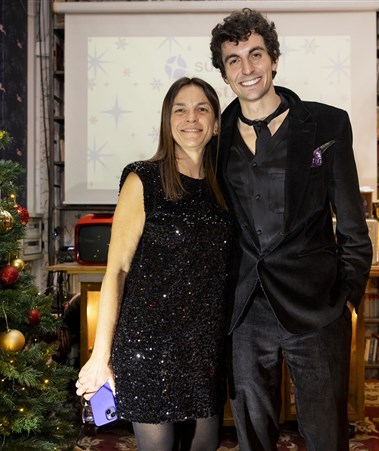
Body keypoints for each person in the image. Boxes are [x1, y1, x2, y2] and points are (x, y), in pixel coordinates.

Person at [210, 8, 373, 451]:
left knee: (325, 435)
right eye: (234, 60)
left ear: (274, 60)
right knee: (252, 437)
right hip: (245, 310)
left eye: (256, 54)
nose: (247, 68)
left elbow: (353, 226)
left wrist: (346, 299)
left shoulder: (327, 124)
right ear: (224, 74)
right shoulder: (214, 138)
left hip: (317, 306)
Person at [75, 77, 233, 451]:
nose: (191, 118)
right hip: (149, 345)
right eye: (180, 109)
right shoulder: (142, 178)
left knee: (205, 445)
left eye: (202, 109)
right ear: (167, 120)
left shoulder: (225, 185)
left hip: (205, 347)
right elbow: (116, 271)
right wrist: (101, 356)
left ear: (216, 123)